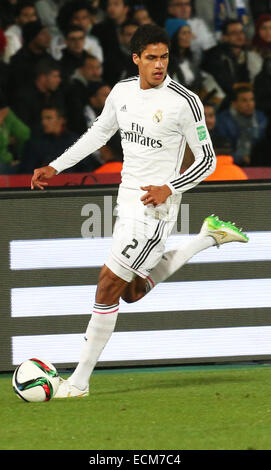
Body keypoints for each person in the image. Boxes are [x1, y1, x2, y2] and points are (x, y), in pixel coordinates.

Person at [31, 24, 248, 398]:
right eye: (152, 58)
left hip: (156, 206)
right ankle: (207, 237)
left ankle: (78, 383)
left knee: (107, 285)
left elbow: (208, 160)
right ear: (136, 59)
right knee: (129, 293)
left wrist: (170, 187)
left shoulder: (186, 101)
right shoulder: (122, 92)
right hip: (126, 198)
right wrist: (56, 165)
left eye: (165, 57)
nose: (160, 64)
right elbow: (99, 134)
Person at [202, 19, 263, 98]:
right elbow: (225, 84)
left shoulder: (248, 54)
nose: (240, 36)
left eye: (241, 32)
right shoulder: (214, 56)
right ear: (224, 37)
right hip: (224, 99)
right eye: (234, 33)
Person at [216, 86, 268, 166]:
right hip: (231, 162)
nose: (249, 104)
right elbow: (223, 149)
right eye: (244, 100)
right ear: (234, 103)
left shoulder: (260, 117)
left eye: (252, 99)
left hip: (257, 161)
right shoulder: (223, 121)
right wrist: (240, 158)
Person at [19, 105, 78, 173]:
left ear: (61, 120)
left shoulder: (75, 141)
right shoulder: (34, 143)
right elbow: (26, 172)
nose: (43, 122)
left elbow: (85, 168)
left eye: (48, 118)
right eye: (42, 118)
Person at [11, 57, 64, 132]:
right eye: (55, 76)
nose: (59, 80)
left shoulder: (55, 95)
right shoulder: (24, 98)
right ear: (42, 77)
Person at [0, 90, 30, 174]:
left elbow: (24, 134)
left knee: (29, 166)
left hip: (7, 162)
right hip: (3, 164)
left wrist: (20, 158)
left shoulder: (5, 112)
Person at [168, 19, 203, 92]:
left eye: (189, 32)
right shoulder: (168, 62)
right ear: (174, 37)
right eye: (184, 33)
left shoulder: (190, 58)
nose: (188, 36)